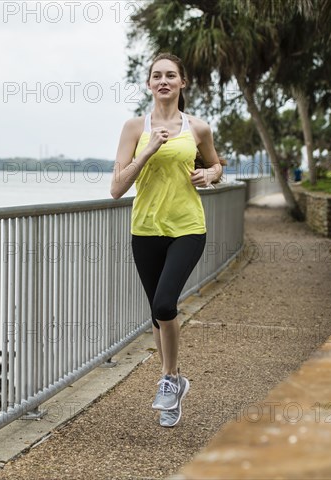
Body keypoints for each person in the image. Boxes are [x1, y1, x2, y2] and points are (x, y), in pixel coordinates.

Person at [110, 53, 222, 427]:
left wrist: (210, 174)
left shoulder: (198, 128)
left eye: (170, 75)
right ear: (148, 84)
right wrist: (147, 151)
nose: (163, 81)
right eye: (156, 75)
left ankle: (170, 379)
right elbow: (116, 188)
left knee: (164, 302)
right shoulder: (133, 128)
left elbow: (217, 164)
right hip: (145, 230)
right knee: (158, 316)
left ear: (182, 83)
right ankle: (172, 389)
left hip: (187, 227)